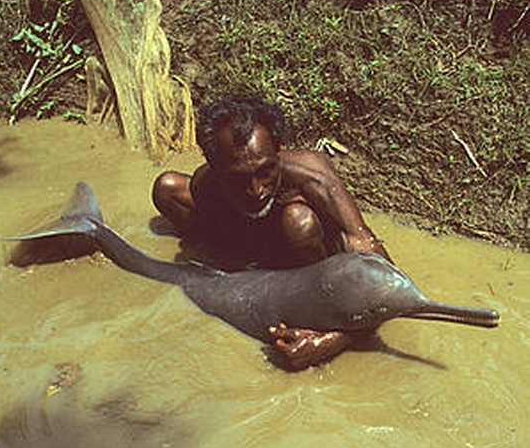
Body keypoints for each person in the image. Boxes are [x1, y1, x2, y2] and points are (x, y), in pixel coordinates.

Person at [152, 95, 392, 369]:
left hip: (311, 258)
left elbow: (387, 284)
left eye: (266, 171)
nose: (256, 189)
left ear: (278, 152)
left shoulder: (313, 178)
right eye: (238, 177)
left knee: (299, 221)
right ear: (215, 167)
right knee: (167, 188)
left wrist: (330, 341)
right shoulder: (205, 185)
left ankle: (318, 313)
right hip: (255, 249)